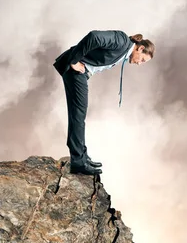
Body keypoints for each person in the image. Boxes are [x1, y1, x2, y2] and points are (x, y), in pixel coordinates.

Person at [53, 30, 155, 175]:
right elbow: (94, 36)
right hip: (75, 72)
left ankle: (81, 157)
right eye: (142, 60)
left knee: (77, 116)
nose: (140, 63)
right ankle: (78, 162)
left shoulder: (125, 50)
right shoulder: (121, 40)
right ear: (141, 48)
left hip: (80, 74)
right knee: (78, 116)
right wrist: (74, 61)